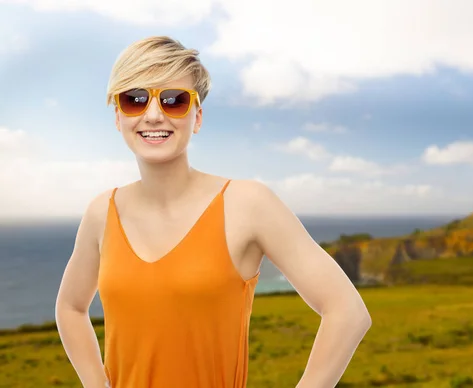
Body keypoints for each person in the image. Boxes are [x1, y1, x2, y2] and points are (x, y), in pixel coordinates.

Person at [55, 35, 372, 388]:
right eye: (135, 100)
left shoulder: (248, 204)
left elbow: (347, 311)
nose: (154, 114)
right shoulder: (102, 211)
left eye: (174, 100)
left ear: (197, 116)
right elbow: (70, 308)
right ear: (119, 117)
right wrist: (94, 384)